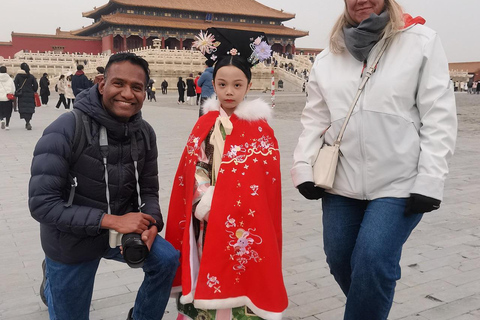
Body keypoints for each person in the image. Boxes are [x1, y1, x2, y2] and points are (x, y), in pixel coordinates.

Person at [291, 1, 457, 319]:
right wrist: (303, 165)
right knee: (339, 257)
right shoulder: (329, 57)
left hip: (400, 182)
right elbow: (314, 118)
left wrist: (431, 179)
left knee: (373, 257)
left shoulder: (420, 42)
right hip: (342, 179)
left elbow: (439, 116)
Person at [29, 52, 179, 320]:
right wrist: (111, 220)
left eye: (137, 87)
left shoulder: (144, 132)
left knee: (166, 260)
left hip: (120, 231)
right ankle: (52, 281)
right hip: (71, 239)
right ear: (101, 84)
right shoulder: (66, 128)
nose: (127, 93)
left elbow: (148, 189)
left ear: (145, 91)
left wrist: (152, 222)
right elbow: (42, 204)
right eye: (118, 83)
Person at [166, 27, 287, 320]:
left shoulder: (261, 129)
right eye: (222, 84)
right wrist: (205, 199)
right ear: (213, 85)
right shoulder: (204, 123)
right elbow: (193, 166)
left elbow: (262, 181)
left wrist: (228, 199)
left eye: (237, 85)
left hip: (244, 216)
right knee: (209, 262)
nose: (229, 92)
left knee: (242, 263)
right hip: (205, 214)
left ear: (248, 86)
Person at [14, 62, 38, 130]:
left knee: (23, 108)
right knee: (30, 108)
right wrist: (33, 90)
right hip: (30, 94)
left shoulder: (18, 76)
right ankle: (28, 121)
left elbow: (15, 84)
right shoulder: (31, 76)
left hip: (22, 95)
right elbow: (36, 85)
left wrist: (18, 90)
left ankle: (27, 121)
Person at [0, 66, 15, 130]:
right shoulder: (10, 79)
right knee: (8, 112)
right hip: (7, 98)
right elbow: (13, 89)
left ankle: (1, 119)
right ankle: (7, 125)